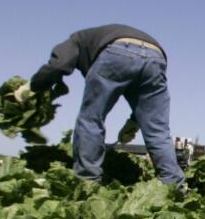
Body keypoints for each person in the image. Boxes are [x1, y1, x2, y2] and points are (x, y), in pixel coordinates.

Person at [16, 24, 185, 188]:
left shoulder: (76, 39)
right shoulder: (94, 37)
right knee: (158, 131)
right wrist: (133, 124)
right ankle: (175, 187)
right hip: (156, 57)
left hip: (117, 49)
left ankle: (88, 180)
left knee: (91, 118)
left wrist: (31, 87)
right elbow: (146, 103)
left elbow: (58, 65)